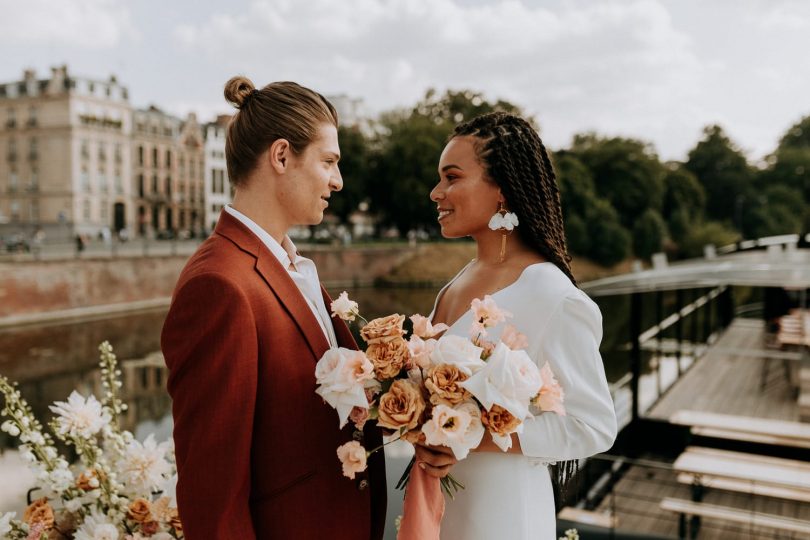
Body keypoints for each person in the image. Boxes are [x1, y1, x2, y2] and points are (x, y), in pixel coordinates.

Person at [161, 76, 387, 539]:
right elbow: (213, 497)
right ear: (282, 156)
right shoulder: (219, 284)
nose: (338, 180)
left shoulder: (290, 265)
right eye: (328, 162)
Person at [428, 112, 617, 539]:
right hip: (439, 507)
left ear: (502, 190)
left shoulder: (553, 296)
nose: (436, 192)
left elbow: (593, 426)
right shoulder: (459, 280)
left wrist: (470, 435)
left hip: (500, 515)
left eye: (452, 177)